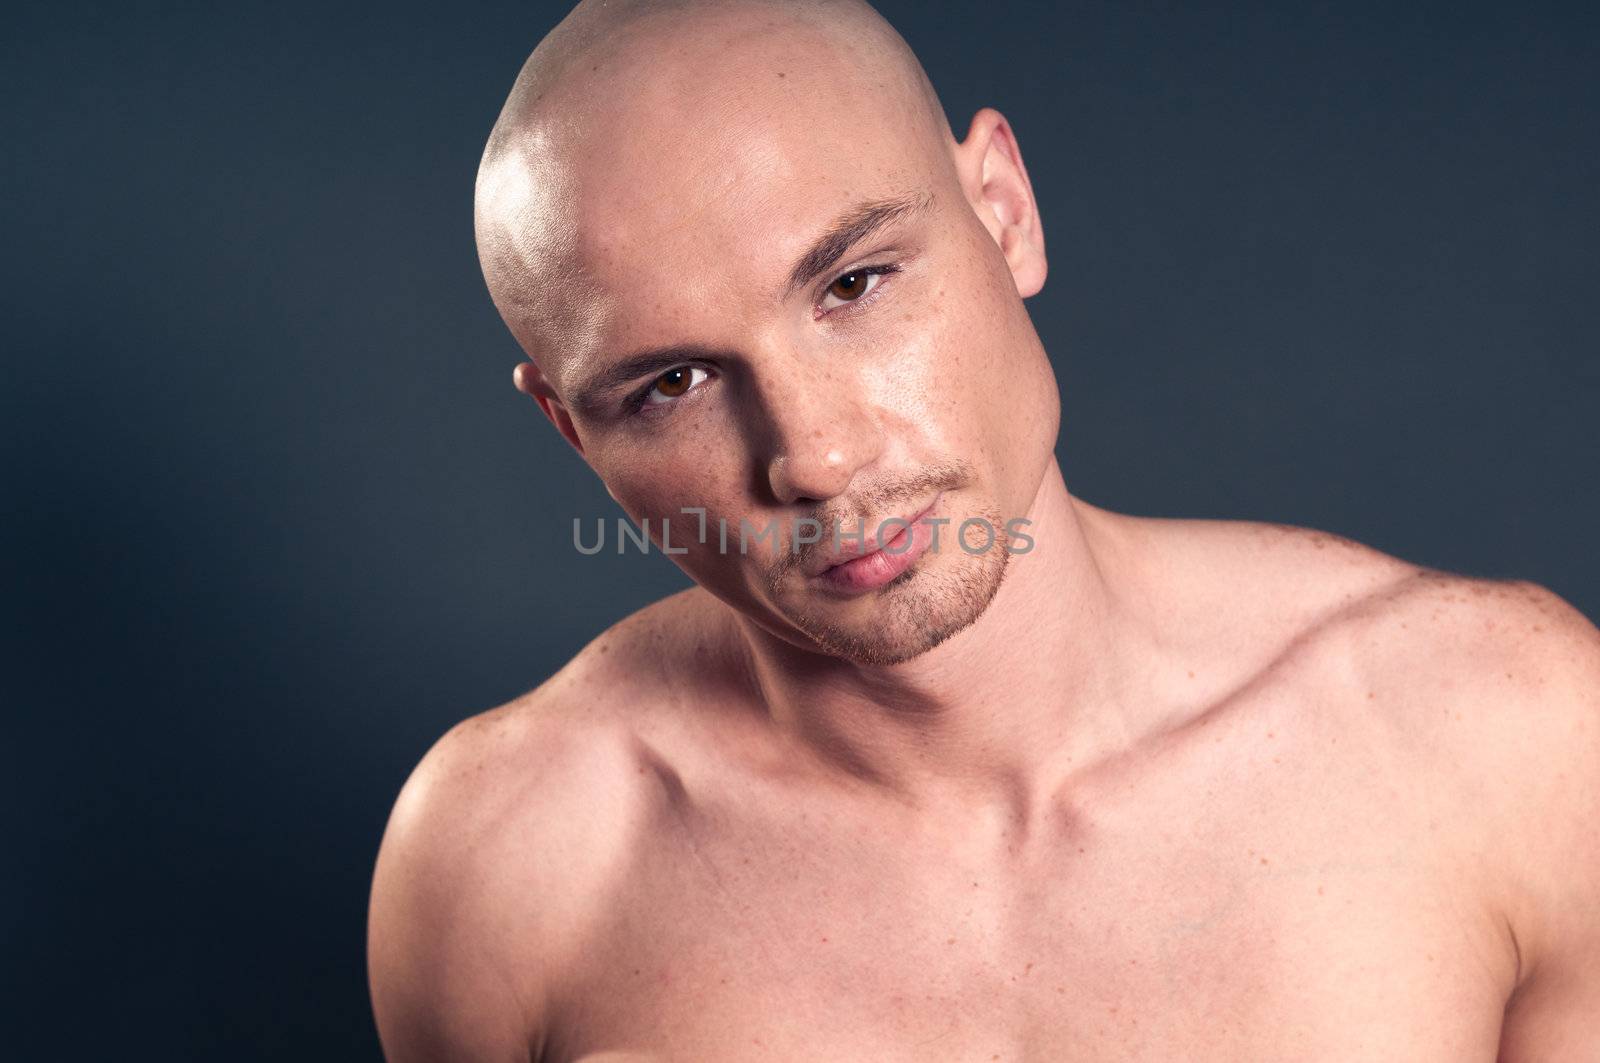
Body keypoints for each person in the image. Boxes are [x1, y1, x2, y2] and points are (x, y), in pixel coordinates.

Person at [367, 1, 1600, 1058]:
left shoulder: (1500, 732)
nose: (817, 457)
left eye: (853, 284)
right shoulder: (503, 865)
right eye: (671, 384)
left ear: (1003, 209)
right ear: (575, 435)